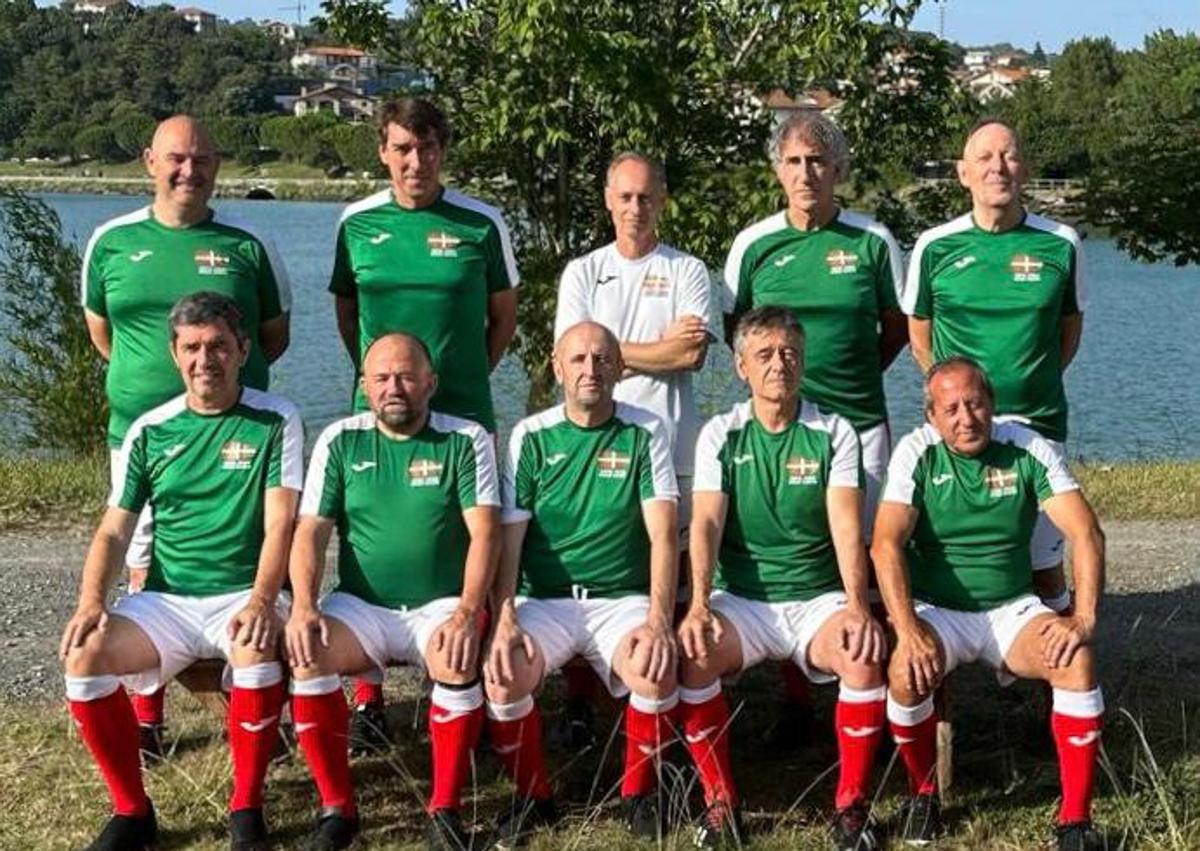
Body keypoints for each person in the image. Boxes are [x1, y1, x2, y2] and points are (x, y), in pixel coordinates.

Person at [59, 292, 303, 851]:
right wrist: (92, 602)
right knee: (84, 655)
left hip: (246, 592)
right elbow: (114, 531)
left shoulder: (275, 418)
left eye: (218, 345)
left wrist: (264, 599)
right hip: (166, 600)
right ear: (174, 353)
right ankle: (132, 811)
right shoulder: (149, 429)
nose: (205, 359)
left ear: (243, 350)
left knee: (253, 650)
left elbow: (280, 525)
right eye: (192, 347)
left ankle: (247, 808)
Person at [81, 115, 292, 751]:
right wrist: (155, 395)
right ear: (150, 160)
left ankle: (255, 705)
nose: (188, 171)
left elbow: (274, 336)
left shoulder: (248, 243)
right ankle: (148, 717)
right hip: (143, 437)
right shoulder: (111, 241)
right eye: (176, 158)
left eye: (201, 159)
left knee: (243, 566)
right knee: (147, 571)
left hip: (235, 438)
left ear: (218, 165)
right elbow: (103, 333)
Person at [329, 96, 518, 733]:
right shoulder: (356, 223)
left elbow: (503, 319)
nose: (417, 160)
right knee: (367, 537)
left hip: (463, 406)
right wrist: (386, 380)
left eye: (429, 147)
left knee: (477, 544)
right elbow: (349, 316)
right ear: (383, 150)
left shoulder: (480, 224)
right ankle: (368, 696)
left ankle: (471, 673)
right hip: (378, 412)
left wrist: (455, 380)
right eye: (403, 148)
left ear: (443, 150)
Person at [723, 111, 906, 746]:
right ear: (779, 169)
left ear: (838, 170)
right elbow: (737, 334)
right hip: (780, 432)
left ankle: (874, 696)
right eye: (795, 162)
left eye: (818, 162)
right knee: (793, 549)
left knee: (865, 557)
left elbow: (896, 330)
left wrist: (843, 389)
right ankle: (796, 701)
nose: (807, 173)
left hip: (859, 424)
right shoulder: (753, 245)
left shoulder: (873, 241)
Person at [872, 357, 1105, 850]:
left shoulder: (1024, 444)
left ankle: (1075, 821)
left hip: (1012, 609)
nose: (966, 417)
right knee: (903, 672)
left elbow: (1084, 531)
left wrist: (1081, 618)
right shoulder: (916, 451)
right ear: (932, 416)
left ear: (992, 405)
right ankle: (923, 795)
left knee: (1077, 663)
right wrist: (909, 630)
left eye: (976, 403)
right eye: (951, 408)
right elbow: (885, 543)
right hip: (938, 610)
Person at [677, 307, 887, 850]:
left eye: (790, 353)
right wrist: (699, 603)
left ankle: (851, 807)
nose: (780, 365)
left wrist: (858, 605)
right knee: (694, 652)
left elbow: (845, 525)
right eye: (765, 354)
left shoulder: (834, 431)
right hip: (742, 600)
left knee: (863, 655)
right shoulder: (719, 434)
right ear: (741, 366)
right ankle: (720, 803)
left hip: (817, 599)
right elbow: (704, 522)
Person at [284, 332, 500, 851]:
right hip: (362, 604)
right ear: (364, 387)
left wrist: (469, 611)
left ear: (431, 383)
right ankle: (339, 810)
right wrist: (305, 606)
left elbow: (486, 533)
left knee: (454, 655)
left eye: (406, 376)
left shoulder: (465, 439)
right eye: (381, 378)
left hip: (442, 604)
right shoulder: (340, 440)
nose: (393, 387)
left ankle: (443, 810)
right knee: (308, 653)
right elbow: (310, 531)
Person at [483, 322, 680, 845]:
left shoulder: (646, 431)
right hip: (544, 602)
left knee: (653, 668)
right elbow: (510, 540)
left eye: (601, 359)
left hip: (622, 600)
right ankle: (534, 798)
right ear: (557, 367)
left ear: (619, 368)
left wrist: (660, 622)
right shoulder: (531, 435)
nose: (590, 369)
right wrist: (503, 619)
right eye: (578, 360)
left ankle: (638, 793)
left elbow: (663, 537)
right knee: (504, 674)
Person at [553, 150, 711, 742]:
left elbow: (690, 354)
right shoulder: (582, 272)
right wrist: (646, 350)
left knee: (668, 569)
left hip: (671, 444)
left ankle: (660, 694)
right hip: (599, 448)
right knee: (592, 564)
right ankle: (579, 701)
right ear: (607, 199)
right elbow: (574, 358)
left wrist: (608, 352)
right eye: (625, 197)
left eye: (646, 197)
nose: (635, 208)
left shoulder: (688, 270)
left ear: (661, 200)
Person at [902, 117, 1086, 615]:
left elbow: (1068, 331)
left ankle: (1056, 666)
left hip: (1039, 422)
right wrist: (953, 399)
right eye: (984, 158)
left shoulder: (1061, 243)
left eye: (1007, 156)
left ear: (1023, 167)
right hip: (957, 431)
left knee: (1043, 562)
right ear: (963, 173)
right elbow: (919, 333)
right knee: (951, 555)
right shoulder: (934, 246)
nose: (996, 167)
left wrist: (1027, 379)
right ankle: (946, 670)